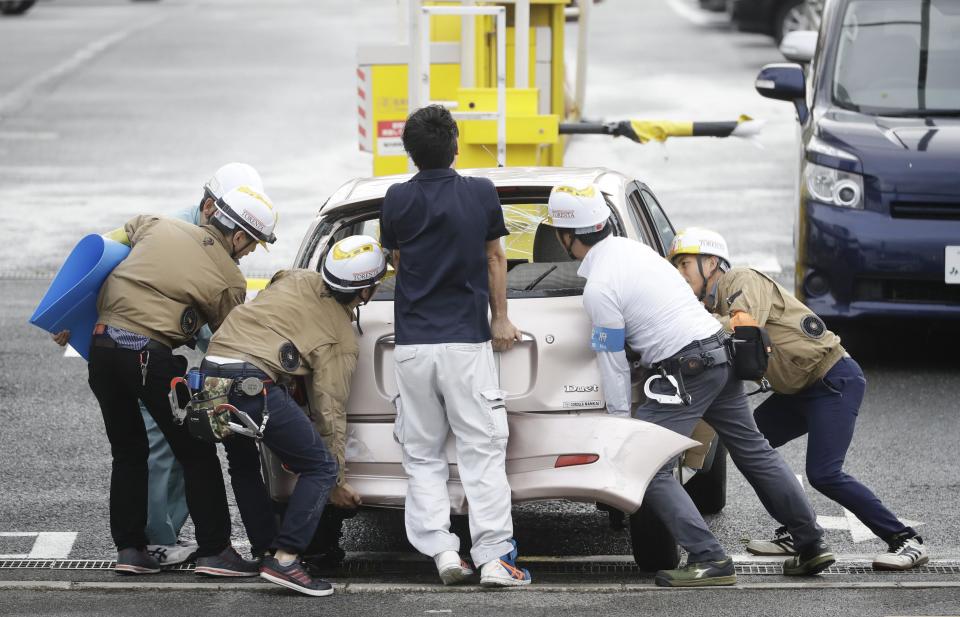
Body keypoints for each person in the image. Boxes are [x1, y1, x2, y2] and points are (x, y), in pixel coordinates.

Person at [546, 184, 834, 587]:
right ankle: (811, 542)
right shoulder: (638, 252)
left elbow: (610, 360)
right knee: (753, 451)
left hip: (687, 369)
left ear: (565, 237)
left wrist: (618, 423)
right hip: (719, 352)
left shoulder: (599, 288)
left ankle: (709, 558)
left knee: (646, 464)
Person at [668, 227, 929, 571]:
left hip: (833, 380)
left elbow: (742, 325)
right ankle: (797, 531)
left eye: (685, 263)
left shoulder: (740, 279)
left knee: (824, 473)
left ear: (711, 262)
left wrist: (691, 327)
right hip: (797, 391)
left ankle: (905, 539)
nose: (679, 273)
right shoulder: (711, 304)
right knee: (751, 449)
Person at [53, 163, 265, 566]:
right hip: (149, 357)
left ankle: (130, 550)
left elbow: (99, 252)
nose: (252, 251)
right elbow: (234, 340)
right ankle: (217, 551)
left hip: (101, 349)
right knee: (197, 450)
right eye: (253, 242)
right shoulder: (229, 279)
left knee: (128, 452)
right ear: (237, 235)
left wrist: (66, 313)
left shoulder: (153, 223)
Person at [379, 104, 530, 587]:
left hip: (412, 347)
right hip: (466, 344)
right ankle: (492, 559)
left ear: (410, 153)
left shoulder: (396, 199)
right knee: (481, 451)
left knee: (422, 455)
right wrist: (500, 318)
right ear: (457, 146)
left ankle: (443, 551)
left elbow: (398, 261)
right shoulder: (481, 193)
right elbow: (494, 259)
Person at [200, 235, 387, 596]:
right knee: (319, 467)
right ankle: (286, 560)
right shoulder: (340, 340)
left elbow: (278, 282)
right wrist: (337, 482)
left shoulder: (297, 277)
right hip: (250, 382)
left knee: (243, 464)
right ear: (364, 293)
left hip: (211, 369)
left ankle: (266, 550)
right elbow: (329, 412)